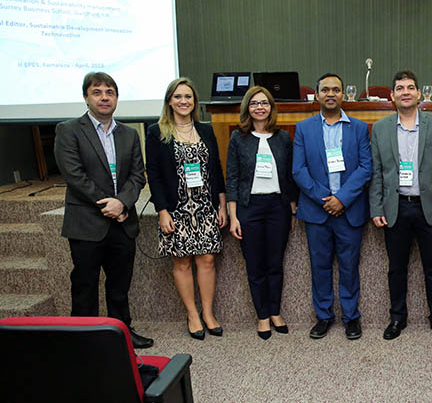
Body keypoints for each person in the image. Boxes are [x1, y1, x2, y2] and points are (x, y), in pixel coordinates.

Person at [54, 72, 153, 348]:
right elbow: (74, 176)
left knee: (120, 285)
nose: (104, 97)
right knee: (85, 284)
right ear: (86, 97)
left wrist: (122, 202)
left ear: (117, 98)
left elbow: (137, 176)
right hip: (86, 222)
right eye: (97, 92)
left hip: (122, 221)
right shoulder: (70, 130)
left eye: (110, 92)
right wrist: (108, 204)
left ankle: (122, 332)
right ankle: (84, 340)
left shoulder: (129, 134)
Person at [369, 70, 432, 343]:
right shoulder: (381, 128)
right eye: (400, 88)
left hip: (429, 207)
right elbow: (376, 172)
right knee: (397, 268)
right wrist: (376, 208)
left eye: (410, 87)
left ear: (419, 93)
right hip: (396, 208)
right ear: (392, 95)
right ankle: (397, 318)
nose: (405, 92)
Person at [145, 77, 228, 340]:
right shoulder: (157, 132)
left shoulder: (204, 130)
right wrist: (162, 211)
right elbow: (155, 175)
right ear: (169, 100)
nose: (184, 101)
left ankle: (208, 312)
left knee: (207, 260)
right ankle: (192, 314)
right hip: (176, 207)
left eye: (188, 97)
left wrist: (222, 204)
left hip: (205, 205)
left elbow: (216, 170)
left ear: (194, 101)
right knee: (182, 262)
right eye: (178, 96)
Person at [292, 73, 372, 340]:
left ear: (343, 95)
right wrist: (326, 198)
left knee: (350, 266)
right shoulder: (304, 128)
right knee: (320, 266)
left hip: (349, 210)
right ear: (317, 95)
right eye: (325, 89)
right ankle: (324, 316)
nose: (330, 94)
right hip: (318, 211)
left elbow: (365, 168)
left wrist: (343, 199)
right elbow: (299, 170)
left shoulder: (359, 128)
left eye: (335, 89)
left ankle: (351, 317)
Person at [226, 86, 298, 340]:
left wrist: (291, 209)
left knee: (275, 263)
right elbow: (232, 177)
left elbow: (289, 176)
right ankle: (262, 315)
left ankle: (276, 311)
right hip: (249, 208)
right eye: (254, 103)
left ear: (271, 107)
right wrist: (233, 216)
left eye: (264, 103)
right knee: (255, 265)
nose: (260, 107)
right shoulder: (238, 138)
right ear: (248, 108)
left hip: (278, 207)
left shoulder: (283, 138)